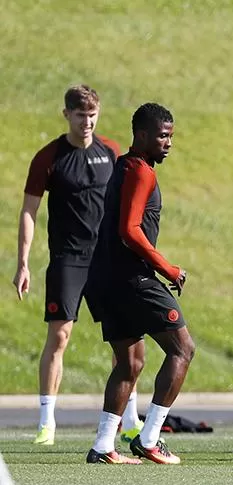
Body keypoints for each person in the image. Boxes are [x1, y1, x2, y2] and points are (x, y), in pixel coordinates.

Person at [13, 85, 144, 446]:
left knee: (124, 340)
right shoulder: (49, 157)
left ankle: (130, 419)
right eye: (80, 115)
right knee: (59, 336)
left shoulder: (112, 152)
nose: (86, 122)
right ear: (66, 115)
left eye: (92, 115)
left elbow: (130, 204)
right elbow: (29, 210)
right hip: (68, 259)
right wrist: (23, 263)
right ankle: (46, 423)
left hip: (108, 260)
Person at [85, 103, 193, 465]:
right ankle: (149, 439)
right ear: (142, 135)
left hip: (104, 277)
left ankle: (103, 447)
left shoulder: (124, 167)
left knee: (130, 363)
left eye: (171, 137)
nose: (168, 143)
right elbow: (129, 230)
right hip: (131, 277)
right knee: (183, 349)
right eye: (163, 136)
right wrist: (168, 269)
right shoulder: (140, 171)